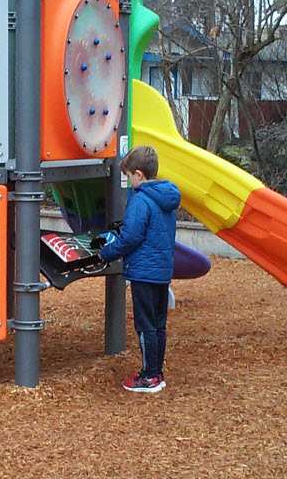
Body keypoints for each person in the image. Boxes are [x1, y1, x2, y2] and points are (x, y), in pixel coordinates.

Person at [95, 145, 181, 393]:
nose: (128, 180)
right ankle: (156, 372)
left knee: (145, 326)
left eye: (129, 175)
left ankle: (149, 377)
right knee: (158, 325)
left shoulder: (141, 200)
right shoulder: (166, 198)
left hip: (143, 272)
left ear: (139, 175)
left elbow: (131, 238)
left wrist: (106, 253)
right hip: (162, 271)